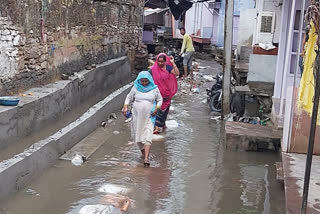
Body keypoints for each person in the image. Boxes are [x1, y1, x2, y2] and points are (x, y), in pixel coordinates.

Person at [122, 71, 163, 167]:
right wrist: (125, 106)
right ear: (139, 80)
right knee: (138, 137)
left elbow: (160, 99)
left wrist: (157, 108)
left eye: (146, 81)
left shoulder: (154, 89)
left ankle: (146, 158)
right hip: (137, 116)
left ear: (149, 80)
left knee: (148, 135)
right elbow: (128, 97)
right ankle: (144, 154)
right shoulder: (136, 87)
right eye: (142, 81)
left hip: (150, 115)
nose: (144, 83)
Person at [149, 53, 179, 134]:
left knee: (165, 111)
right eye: (159, 61)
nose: (160, 63)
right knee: (157, 110)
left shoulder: (168, 68)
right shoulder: (153, 69)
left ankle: (162, 124)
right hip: (157, 94)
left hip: (166, 94)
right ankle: (156, 126)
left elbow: (176, 73)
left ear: (165, 61)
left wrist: (173, 63)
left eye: (162, 62)